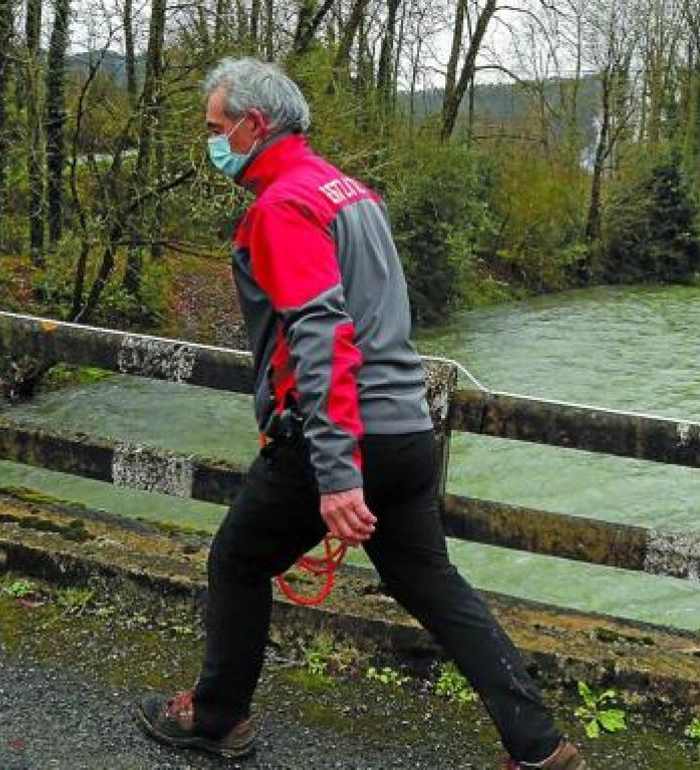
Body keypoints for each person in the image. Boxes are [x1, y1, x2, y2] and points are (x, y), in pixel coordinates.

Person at [133, 57, 584, 770]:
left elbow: (322, 333)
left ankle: (217, 718)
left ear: (255, 124)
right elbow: (382, 317)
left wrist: (338, 471)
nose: (212, 142)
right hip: (405, 430)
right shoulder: (351, 194)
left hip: (339, 437)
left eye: (217, 129)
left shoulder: (283, 206)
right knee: (431, 584)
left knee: (238, 561)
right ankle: (540, 748)